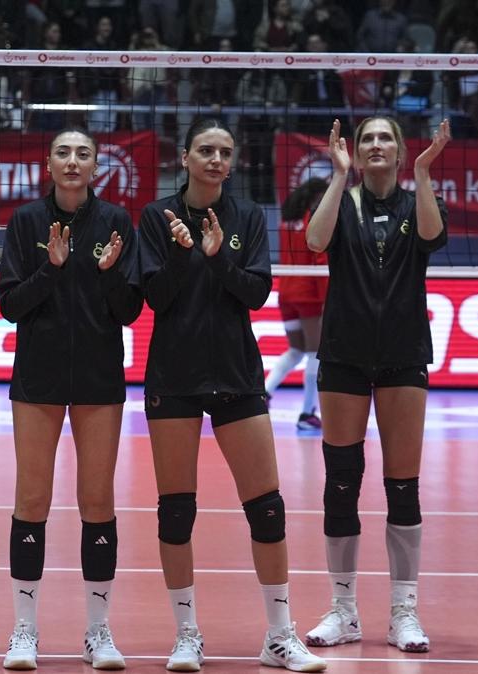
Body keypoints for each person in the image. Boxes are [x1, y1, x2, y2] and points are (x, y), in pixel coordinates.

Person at [138, 118, 326, 672]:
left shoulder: (246, 215)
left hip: (236, 370)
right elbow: (155, 298)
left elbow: (257, 293)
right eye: (205, 150)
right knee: (176, 512)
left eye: (224, 151)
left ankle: (279, 636)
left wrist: (218, 255)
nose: (216, 159)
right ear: (186, 158)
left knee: (266, 508)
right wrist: (181, 253)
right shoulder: (157, 216)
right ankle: (186, 635)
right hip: (174, 373)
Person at [0, 128, 142, 671]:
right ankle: (24, 630)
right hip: (38, 377)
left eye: (83, 154)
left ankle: (98, 631)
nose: (73, 161)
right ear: (48, 163)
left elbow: (130, 310)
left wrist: (108, 275)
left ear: (96, 165)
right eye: (63, 152)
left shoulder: (117, 221)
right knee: (32, 499)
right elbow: (10, 305)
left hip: (99, 378)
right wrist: (49, 269)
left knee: (97, 501)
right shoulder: (26, 221)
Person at [304, 117, 451, 654]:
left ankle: (403, 613)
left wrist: (424, 173)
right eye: (367, 138)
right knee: (342, 481)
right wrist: (339, 175)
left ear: (401, 150)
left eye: (385, 137)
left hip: (404, 354)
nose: (375, 145)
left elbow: (432, 238)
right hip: (344, 354)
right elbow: (315, 241)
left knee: (402, 486)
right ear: (356, 150)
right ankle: (343, 611)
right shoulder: (342, 200)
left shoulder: (419, 202)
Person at [265, 177, 329, 431]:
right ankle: (307, 413)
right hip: (309, 293)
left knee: (296, 350)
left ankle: (264, 392)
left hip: (285, 292)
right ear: (316, 196)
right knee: (315, 352)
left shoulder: (286, 220)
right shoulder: (314, 220)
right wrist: (327, 300)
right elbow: (319, 259)